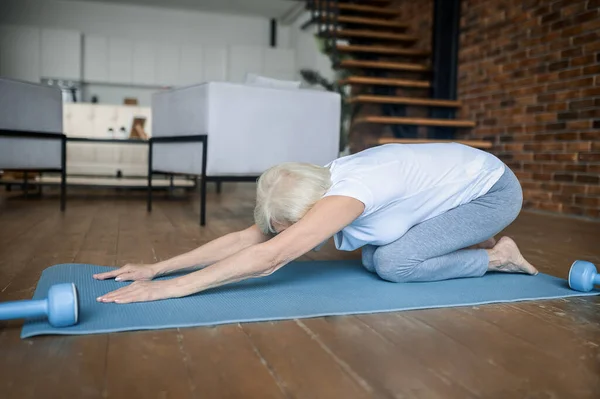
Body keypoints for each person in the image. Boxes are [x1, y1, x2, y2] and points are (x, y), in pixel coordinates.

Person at [94, 143, 538, 304]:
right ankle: (467, 238)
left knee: (392, 264)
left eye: (291, 227)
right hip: (447, 189)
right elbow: (247, 238)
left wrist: (167, 291)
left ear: (315, 211)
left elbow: (267, 258)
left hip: (491, 191)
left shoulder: (348, 196)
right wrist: (158, 268)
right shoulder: (317, 181)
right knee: (371, 255)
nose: (283, 234)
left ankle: (497, 256)